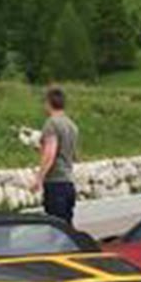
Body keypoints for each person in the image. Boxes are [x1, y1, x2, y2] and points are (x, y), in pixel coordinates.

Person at [34, 86, 80, 223]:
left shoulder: (52, 123)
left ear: (49, 103)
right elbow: (72, 154)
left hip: (55, 182)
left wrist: (39, 178)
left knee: (55, 227)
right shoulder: (72, 125)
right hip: (68, 182)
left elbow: (50, 154)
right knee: (66, 227)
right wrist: (41, 148)